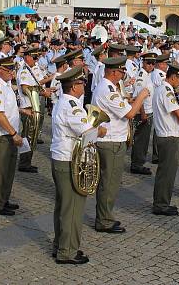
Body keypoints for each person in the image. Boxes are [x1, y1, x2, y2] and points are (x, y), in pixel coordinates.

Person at [50, 66, 107, 264]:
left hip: (61, 157)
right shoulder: (73, 106)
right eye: (82, 82)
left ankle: (61, 245)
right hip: (68, 161)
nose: (85, 85)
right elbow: (86, 132)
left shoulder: (62, 101)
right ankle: (67, 251)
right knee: (72, 207)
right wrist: (100, 131)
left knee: (63, 206)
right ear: (74, 86)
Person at [91, 56, 145, 233]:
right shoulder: (108, 90)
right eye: (121, 72)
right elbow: (130, 114)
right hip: (111, 141)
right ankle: (104, 220)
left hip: (113, 139)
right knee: (109, 182)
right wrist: (142, 96)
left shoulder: (108, 88)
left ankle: (105, 216)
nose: (123, 75)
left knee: (110, 181)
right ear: (113, 72)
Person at [151, 64, 179, 216]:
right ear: (174, 76)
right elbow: (178, 113)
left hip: (165, 135)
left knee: (165, 171)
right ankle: (161, 204)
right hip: (169, 136)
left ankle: (162, 202)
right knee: (167, 173)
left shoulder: (163, 89)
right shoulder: (166, 91)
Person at [0, 56, 24, 216]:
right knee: (0, 170)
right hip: (2, 135)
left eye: (12, 70)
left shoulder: (6, 85)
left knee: (8, 170)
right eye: (9, 70)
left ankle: (4, 199)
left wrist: (22, 111)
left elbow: (8, 109)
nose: (12, 73)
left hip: (9, 134)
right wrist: (13, 133)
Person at [130, 52, 156, 175]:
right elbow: (138, 97)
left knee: (144, 140)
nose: (151, 65)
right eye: (148, 63)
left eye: (153, 63)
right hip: (142, 113)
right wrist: (143, 114)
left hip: (148, 111)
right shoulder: (141, 76)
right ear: (143, 62)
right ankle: (137, 164)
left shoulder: (147, 75)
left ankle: (139, 162)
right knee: (141, 139)